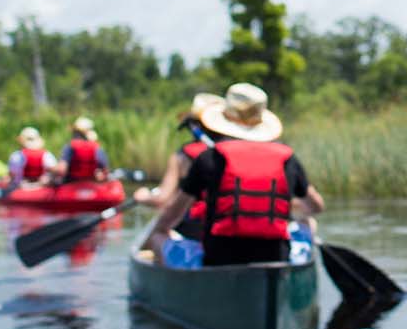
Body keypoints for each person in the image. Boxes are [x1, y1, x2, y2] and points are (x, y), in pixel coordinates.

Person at [143, 83, 326, 266]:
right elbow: (316, 207)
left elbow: (171, 216)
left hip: (217, 261)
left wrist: (158, 232)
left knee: (159, 236)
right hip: (275, 258)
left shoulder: (209, 158)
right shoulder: (288, 159)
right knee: (307, 223)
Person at [136, 93, 224, 240]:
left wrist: (142, 197)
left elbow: (162, 199)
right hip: (224, 232)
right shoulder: (232, 155)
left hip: (190, 231)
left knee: (156, 236)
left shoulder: (182, 156)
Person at [56, 116, 109, 184]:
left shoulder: (70, 147)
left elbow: (61, 170)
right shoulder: (97, 148)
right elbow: (105, 170)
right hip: (91, 183)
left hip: (72, 183)